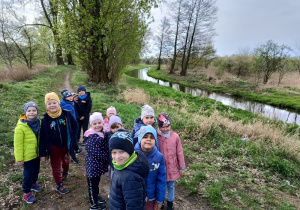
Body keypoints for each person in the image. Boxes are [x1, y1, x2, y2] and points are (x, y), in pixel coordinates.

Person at [39, 92, 78, 194]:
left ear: (59, 103)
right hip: (54, 147)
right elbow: (42, 137)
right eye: (49, 103)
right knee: (55, 165)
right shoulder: (45, 119)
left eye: (54, 102)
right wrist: (42, 153)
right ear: (46, 106)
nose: (52, 105)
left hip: (66, 144)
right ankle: (59, 183)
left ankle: (65, 171)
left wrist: (74, 139)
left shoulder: (66, 114)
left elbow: (75, 126)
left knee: (65, 160)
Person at [109, 131, 149, 209]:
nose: (117, 156)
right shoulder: (121, 165)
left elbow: (134, 206)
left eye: (122, 152)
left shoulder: (130, 177)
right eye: (114, 152)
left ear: (130, 152)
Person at [14, 102, 42, 203]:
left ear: (37, 112)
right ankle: (26, 192)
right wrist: (19, 158)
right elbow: (18, 144)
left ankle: (33, 183)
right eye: (29, 110)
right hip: (27, 156)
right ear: (25, 112)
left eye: (34, 110)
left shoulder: (39, 122)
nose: (31, 112)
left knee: (36, 170)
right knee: (28, 174)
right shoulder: (21, 127)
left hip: (36, 154)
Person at [157, 113, 185, 210]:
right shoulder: (157, 136)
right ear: (159, 126)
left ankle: (170, 203)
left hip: (172, 167)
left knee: (171, 186)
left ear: (170, 125)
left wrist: (182, 167)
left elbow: (180, 153)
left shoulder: (175, 137)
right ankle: (161, 202)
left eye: (167, 126)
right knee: (161, 186)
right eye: (162, 127)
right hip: (161, 168)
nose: (165, 129)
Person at [134, 125, 166, 210]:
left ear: (155, 140)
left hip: (151, 197)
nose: (148, 139)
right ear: (140, 138)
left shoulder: (159, 157)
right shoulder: (132, 155)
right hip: (135, 197)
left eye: (152, 137)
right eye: (145, 137)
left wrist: (160, 200)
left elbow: (161, 180)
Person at [84, 112, 108, 210]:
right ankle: (94, 205)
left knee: (96, 183)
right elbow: (96, 152)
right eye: (95, 124)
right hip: (92, 167)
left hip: (97, 166)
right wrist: (108, 157)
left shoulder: (101, 133)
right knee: (92, 186)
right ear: (91, 125)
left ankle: (96, 196)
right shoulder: (92, 136)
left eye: (99, 123)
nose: (97, 125)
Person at [60, 89, 82, 164]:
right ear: (64, 97)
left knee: (74, 137)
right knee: (72, 139)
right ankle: (72, 155)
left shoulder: (69, 102)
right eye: (68, 97)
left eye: (70, 96)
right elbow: (69, 116)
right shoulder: (66, 105)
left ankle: (76, 148)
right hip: (70, 124)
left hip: (73, 123)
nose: (70, 98)